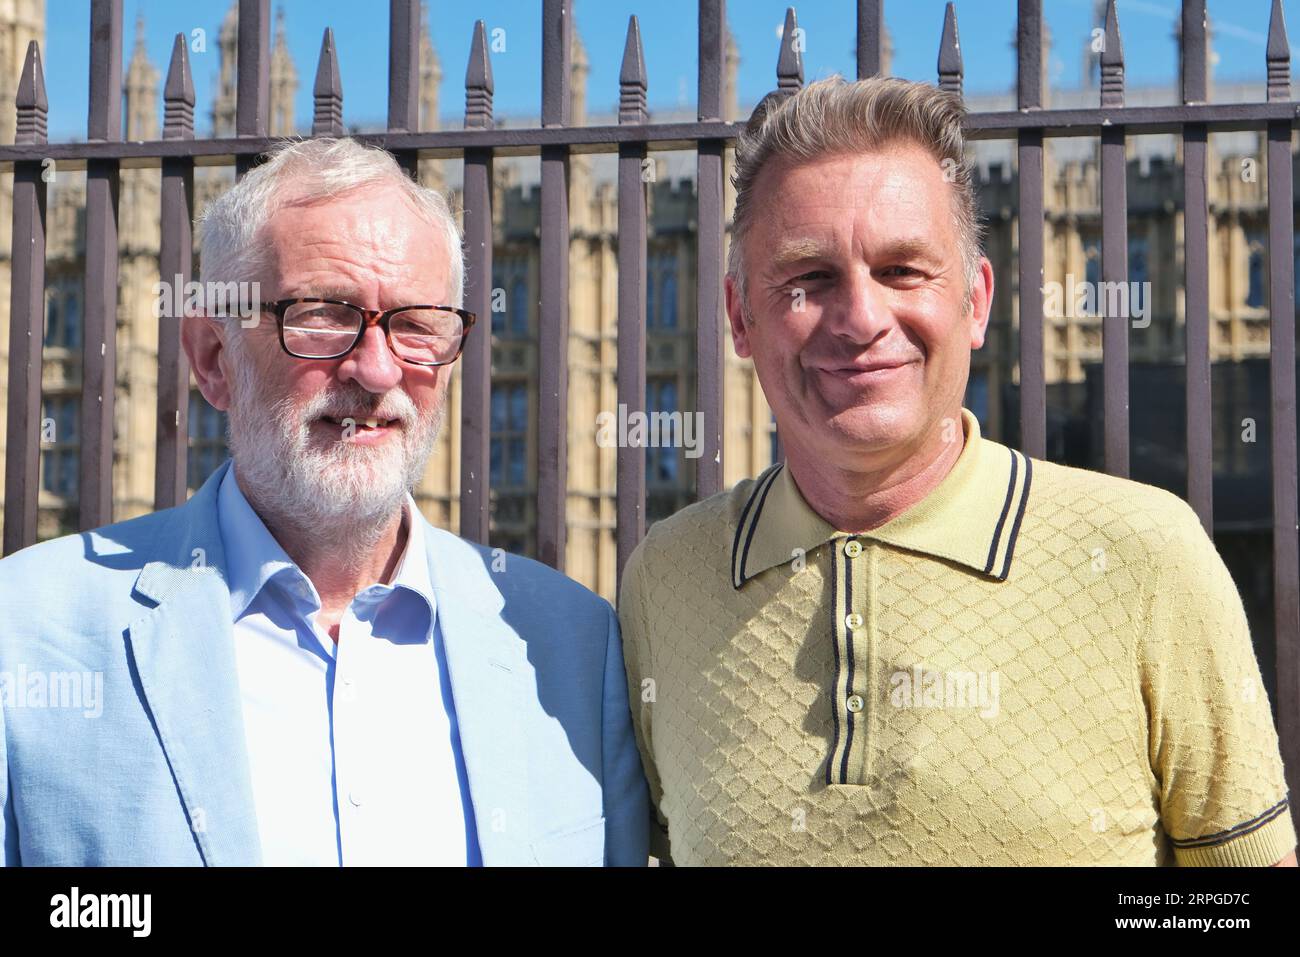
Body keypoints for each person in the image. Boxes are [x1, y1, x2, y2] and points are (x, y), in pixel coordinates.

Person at [618, 76, 1297, 866]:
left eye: (903, 270)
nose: (862, 319)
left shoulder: (1146, 555)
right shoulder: (663, 582)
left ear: (976, 302)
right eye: (808, 278)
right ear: (740, 317)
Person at [0, 138, 648, 866]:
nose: (376, 369)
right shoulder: (25, 632)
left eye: (415, 323)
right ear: (214, 356)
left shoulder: (576, 649)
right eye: (323, 314)